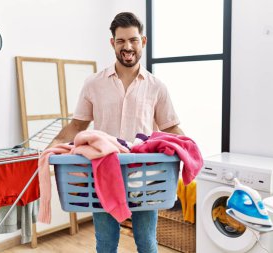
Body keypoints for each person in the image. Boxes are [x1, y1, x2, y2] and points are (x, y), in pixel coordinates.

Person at [48, 12, 184, 253]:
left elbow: (171, 128)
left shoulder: (156, 86)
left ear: (143, 41)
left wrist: (190, 150)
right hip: (103, 176)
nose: (127, 47)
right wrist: (54, 145)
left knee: (147, 242)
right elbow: (77, 125)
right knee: (106, 243)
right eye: (121, 41)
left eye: (133, 40)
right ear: (113, 43)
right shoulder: (93, 83)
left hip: (145, 177)